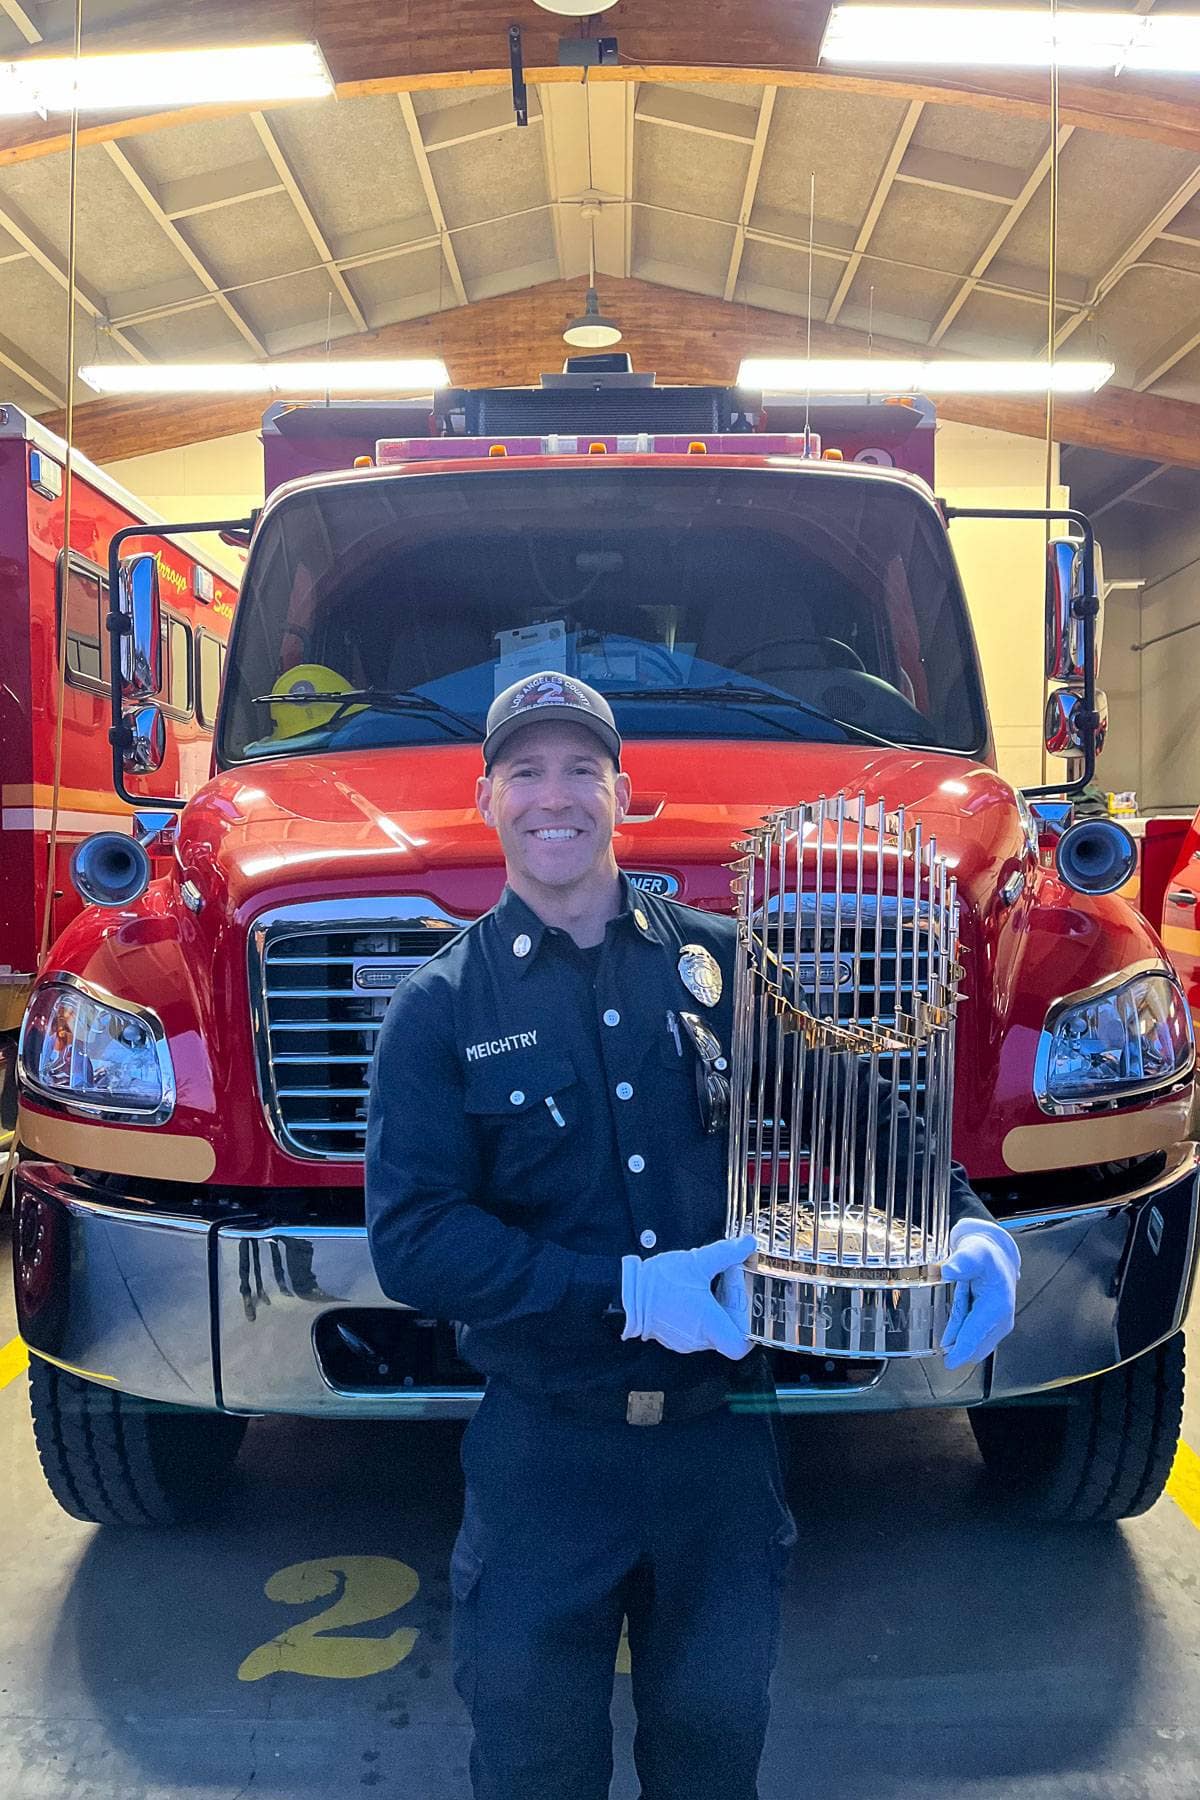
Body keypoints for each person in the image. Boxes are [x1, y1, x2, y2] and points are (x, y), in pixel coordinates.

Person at [365, 671, 1020, 1800]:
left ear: (625, 794)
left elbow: (858, 1109)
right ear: (487, 799)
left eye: (581, 770)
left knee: (713, 1754)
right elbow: (416, 1242)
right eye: (525, 771)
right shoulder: (441, 1008)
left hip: (720, 1452)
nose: (553, 796)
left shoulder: (716, 967)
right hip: (543, 1457)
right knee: (532, 1765)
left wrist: (963, 1225)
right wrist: (628, 1291)